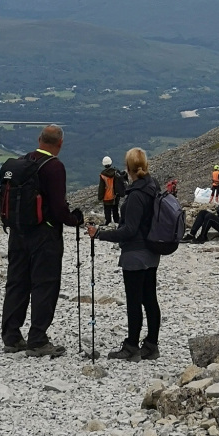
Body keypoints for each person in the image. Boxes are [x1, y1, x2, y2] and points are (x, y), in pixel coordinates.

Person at [1, 125, 83, 357]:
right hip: (44, 236)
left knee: (17, 283)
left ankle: (12, 336)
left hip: (18, 233)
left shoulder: (23, 162)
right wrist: (73, 219)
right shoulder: (54, 167)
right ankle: (37, 338)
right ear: (60, 143)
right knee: (44, 284)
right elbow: (58, 208)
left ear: (39, 140)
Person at [87, 147, 161, 362]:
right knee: (149, 299)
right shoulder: (152, 185)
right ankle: (151, 345)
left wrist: (99, 234)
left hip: (135, 254)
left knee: (134, 301)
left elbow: (129, 230)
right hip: (151, 251)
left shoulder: (137, 194)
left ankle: (131, 347)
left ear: (128, 167)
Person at [98, 156, 125, 226]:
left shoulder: (103, 175)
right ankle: (117, 222)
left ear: (103, 164)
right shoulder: (116, 172)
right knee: (115, 210)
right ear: (111, 163)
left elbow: (101, 187)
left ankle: (108, 222)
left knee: (107, 211)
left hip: (107, 197)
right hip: (115, 196)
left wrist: (100, 197)